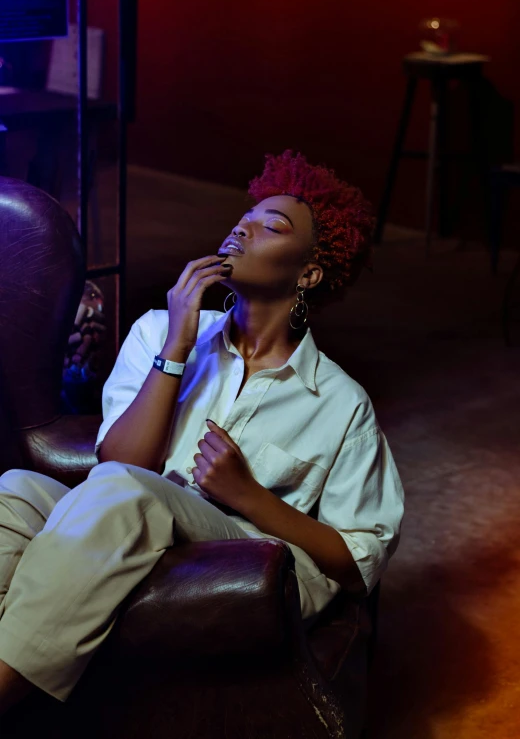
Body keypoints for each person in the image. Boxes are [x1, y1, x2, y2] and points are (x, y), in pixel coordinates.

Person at [0, 149, 404, 714]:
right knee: (13, 492)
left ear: (309, 272)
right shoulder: (160, 330)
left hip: (251, 549)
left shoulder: (340, 402)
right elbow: (123, 460)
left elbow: (360, 560)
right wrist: (176, 350)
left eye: (273, 225)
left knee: (125, 494)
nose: (244, 226)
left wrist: (249, 496)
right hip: (137, 515)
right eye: (247, 216)